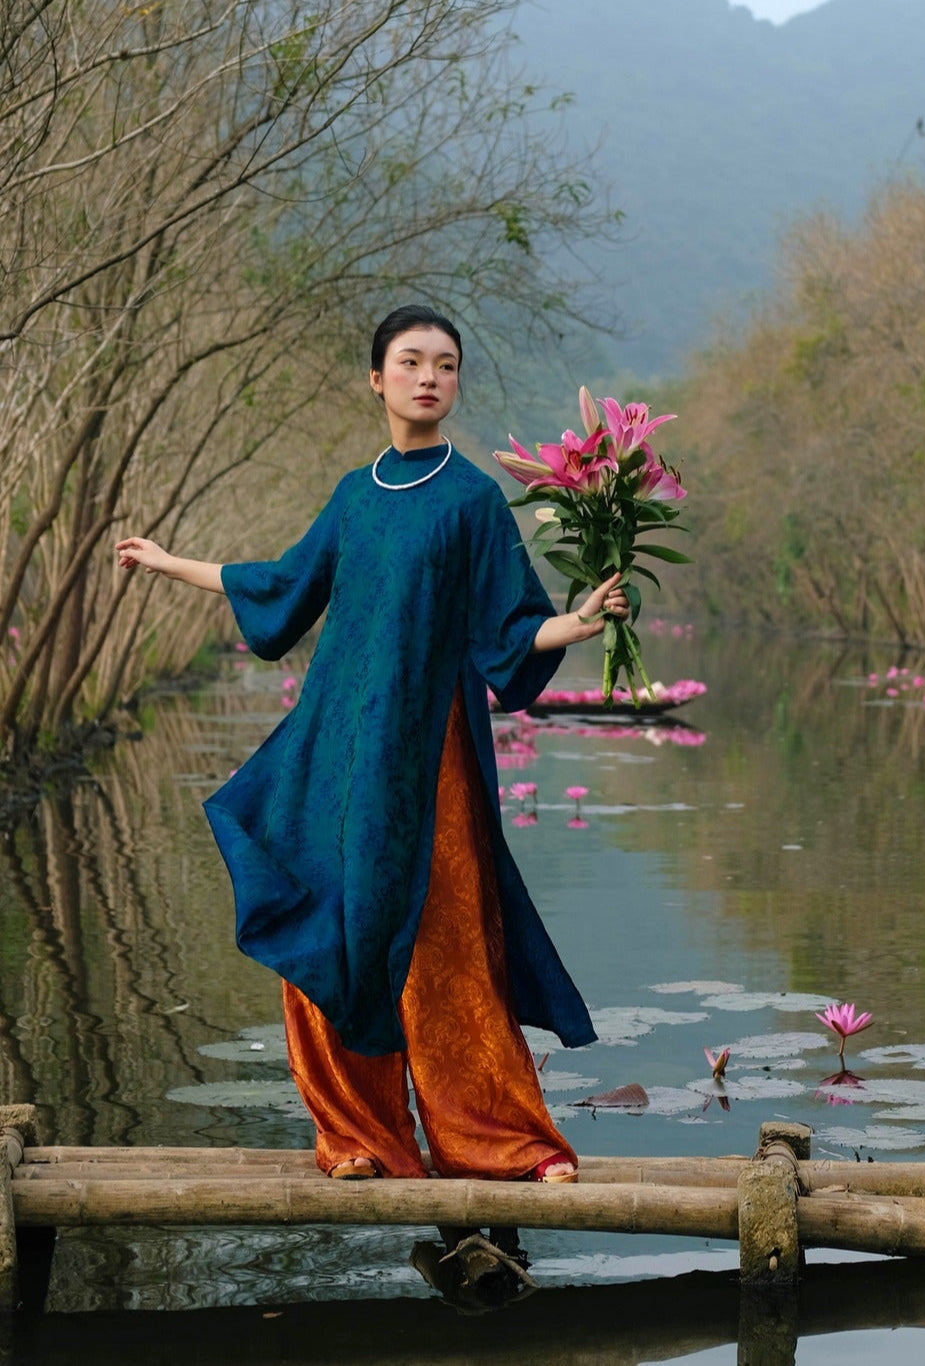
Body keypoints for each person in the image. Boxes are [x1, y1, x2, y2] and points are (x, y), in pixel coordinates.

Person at [116, 304, 625, 1184]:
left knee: (454, 945)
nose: (430, 376)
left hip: (432, 756)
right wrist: (168, 563)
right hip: (341, 757)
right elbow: (280, 584)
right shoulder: (356, 496)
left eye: (447, 364)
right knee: (335, 931)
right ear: (378, 379)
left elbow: (509, 628)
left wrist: (576, 626)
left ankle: (501, 1139)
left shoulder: (470, 498)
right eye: (412, 361)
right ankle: (356, 1134)